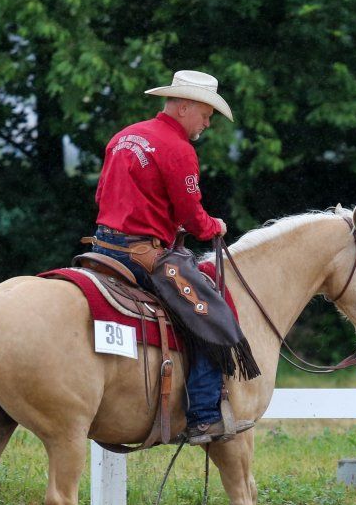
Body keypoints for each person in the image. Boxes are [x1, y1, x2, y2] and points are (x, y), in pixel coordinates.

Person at [91, 70, 255, 444]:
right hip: (144, 255)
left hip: (101, 249)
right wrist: (214, 226)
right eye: (206, 113)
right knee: (207, 314)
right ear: (184, 107)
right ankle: (203, 416)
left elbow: (102, 196)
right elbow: (191, 215)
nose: (208, 122)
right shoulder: (178, 149)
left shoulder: (123, 137)